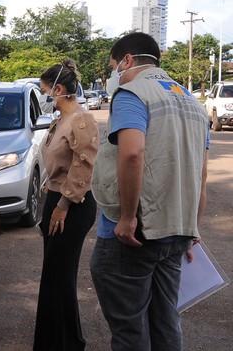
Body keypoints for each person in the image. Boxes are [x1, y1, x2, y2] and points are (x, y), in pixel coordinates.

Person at [89, 32, 209, 351]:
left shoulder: (132, 94)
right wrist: (193, 227)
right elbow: (202, 173)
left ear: (128, 60)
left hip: (135, 233)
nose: (115, 74)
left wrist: (128, 217)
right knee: (165, 321)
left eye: (114, 66)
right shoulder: (194, 104)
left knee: (130, 329)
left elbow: (132, 153)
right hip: (178, 231)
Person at [33, 58, 100, 351]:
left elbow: (83, 167)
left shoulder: (81, 120)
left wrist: (62, 205)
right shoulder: (62, 119)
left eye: (44, 89)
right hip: (58, 201)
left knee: (56, 277)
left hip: (71, 205)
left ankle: (64, 343)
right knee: (56, 276)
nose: (43, 95)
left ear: (59, 88)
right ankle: (65, 341)